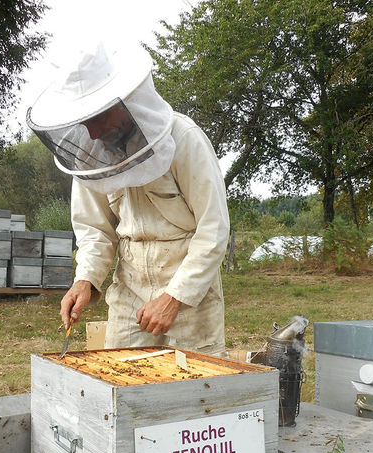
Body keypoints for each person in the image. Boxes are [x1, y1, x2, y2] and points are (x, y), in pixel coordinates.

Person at [26, 42, 230, 355]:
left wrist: (176, 296)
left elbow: (213, 228)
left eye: (98, 118)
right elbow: (95, 231)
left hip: (190, 289)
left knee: (193, 391)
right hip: (130, 288)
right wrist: (86, 279)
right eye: (84, 122)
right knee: (120, 385)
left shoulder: (184, 137)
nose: (92, 134)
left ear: (124, 102)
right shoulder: (90, 155)